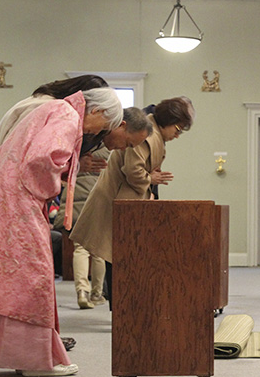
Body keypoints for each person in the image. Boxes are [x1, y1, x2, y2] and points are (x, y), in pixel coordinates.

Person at [0, 87, 123, 377]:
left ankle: (27, 355)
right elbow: (42, 159)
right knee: (32, 280)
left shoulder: (52, 108)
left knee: (12, 281)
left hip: (5, 199)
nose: (98, 133)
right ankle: (33, 361)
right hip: (21, 203)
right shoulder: (66, 116)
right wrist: (56, 185)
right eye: (103, 126)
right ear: (97, 112)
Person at [71, 96, 195, 309]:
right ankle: (120, 309)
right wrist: (150, 180)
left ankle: (119, 306)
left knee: (116, 256)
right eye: (178, 128)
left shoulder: (152, 132)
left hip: (124, 200)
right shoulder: (148, 133)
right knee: (117, 256)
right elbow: (133, 170)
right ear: (168, 120)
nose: (178, 134)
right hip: (120, 200)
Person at [0, 75, 109, 224]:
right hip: (5, 190)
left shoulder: (42, 102)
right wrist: (73, 166)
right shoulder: (46, 108)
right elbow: (31, 159)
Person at [54, 107, 152, 309]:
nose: (124, 149)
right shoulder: (87, 135)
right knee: (96, 250)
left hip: (78, 198)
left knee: (85, 248)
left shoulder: (101, 142)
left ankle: (86, 291)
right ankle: (96, 292)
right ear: (121, 125)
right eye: (127, 143)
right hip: (90, 198)